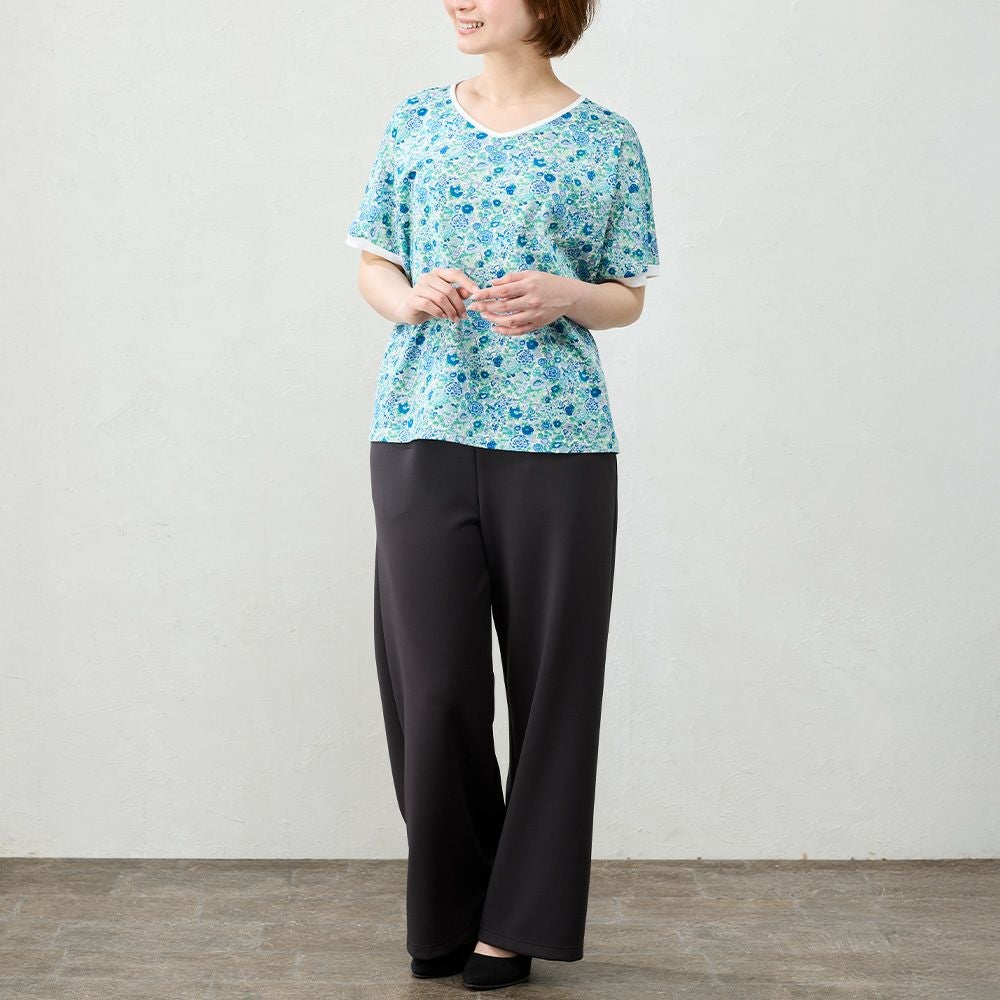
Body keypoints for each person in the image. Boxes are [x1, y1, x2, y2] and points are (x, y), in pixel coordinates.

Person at [345, 0, 659, 989]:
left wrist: (567, 296)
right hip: (421, 425)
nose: (461, 1)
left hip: (558, 440)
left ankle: (515, 924)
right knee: (432, 686)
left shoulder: (606, 139)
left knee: (555, 688)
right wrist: (405, 299)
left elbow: (626, 293)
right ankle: (452, 903)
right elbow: (373, 259)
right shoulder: (415, 119)